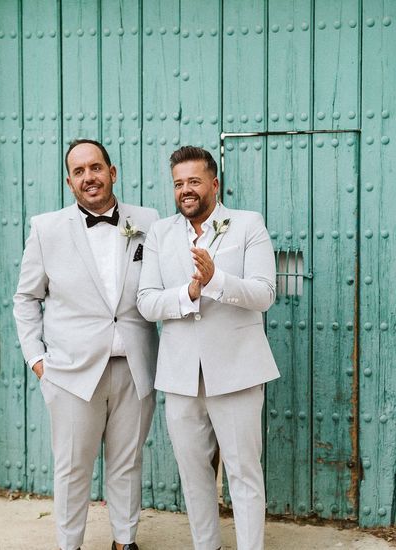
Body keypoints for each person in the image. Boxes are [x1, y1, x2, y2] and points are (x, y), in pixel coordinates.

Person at [13, 139, 159, 550]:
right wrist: (37, 359)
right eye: (79, 172)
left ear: (113, 172)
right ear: (69, 181)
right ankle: (69, 545)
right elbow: (26, 298)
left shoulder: (149, 220)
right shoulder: (46, 228)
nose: (88, 177)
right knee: (73, 467)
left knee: (127, 462)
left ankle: (124, 541)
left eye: (96, 168)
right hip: (72, 371)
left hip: (134, 363)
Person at [136, 146, 280, 550]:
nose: (186, 190)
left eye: (194, 181)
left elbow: (264, 293)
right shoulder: (160, 233)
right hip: (181, 377)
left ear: (214, 184)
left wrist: (216, 280)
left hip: (238, 372)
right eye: (179, 183)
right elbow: (147, 302)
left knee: (243, 472)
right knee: (194, 473)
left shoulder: (248, 224)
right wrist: (189, 292)